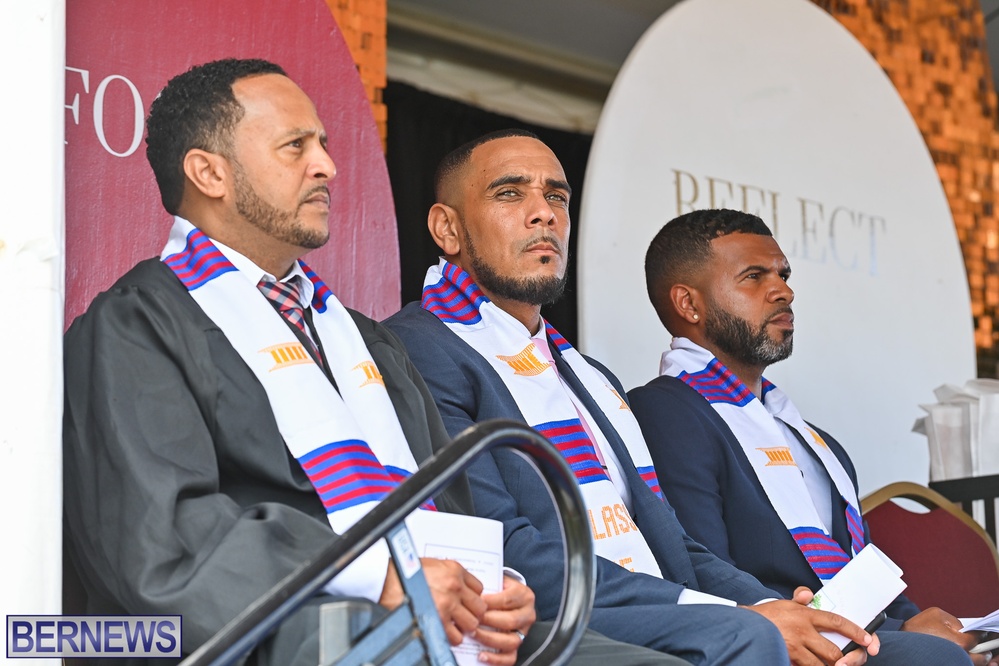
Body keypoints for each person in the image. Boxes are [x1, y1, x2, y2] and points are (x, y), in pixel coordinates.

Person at [62, 59, 672, 666]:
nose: (326, 166)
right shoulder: (138, 325)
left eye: (324, 145)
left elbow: (450, 512)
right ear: (209, 173)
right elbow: (161, 538)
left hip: (421, 621)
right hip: (268, 630)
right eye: (295, 146)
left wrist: (494, 584)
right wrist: (378, 574)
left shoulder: (363, 338)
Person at [383, 129, 925, 665]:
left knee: (922, 657)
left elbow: (674, 543)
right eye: (509, 193)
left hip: (659, 609)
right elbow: (504, 547)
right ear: (447, 228)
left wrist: (768, 606)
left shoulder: (589, 375)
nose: (543, 213)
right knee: (751, 640)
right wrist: (734, 615)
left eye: (557, 197)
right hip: (554, 619)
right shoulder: (418, 348)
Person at [629, 208, 985, 665]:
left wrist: (922, 625)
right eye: (754, 276)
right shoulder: (664, 411)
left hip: (856, 638)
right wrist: (908, 637)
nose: (784, 290)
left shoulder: (817, 443)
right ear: (689, 304)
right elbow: (700, 570)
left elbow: (858, 572)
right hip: (766, 639)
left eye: (782, 274)